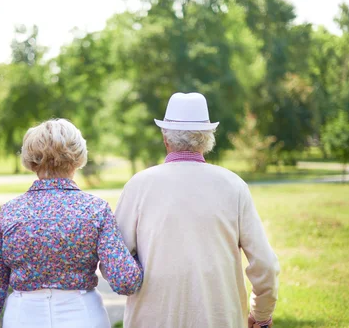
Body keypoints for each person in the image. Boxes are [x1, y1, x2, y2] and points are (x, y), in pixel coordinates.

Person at [113, 92, 280, 328]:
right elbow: (265, 265)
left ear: (165, 137)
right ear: (208, 138)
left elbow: (115, 258)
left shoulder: (139, 186)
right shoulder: (234, 186)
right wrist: (262, 315)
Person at [0, 119, 143, 328]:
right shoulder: (95, 209)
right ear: (77, 158)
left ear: (31, 160)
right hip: (83, 315)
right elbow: (125, 281)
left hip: (23, 317)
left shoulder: (10, 212)